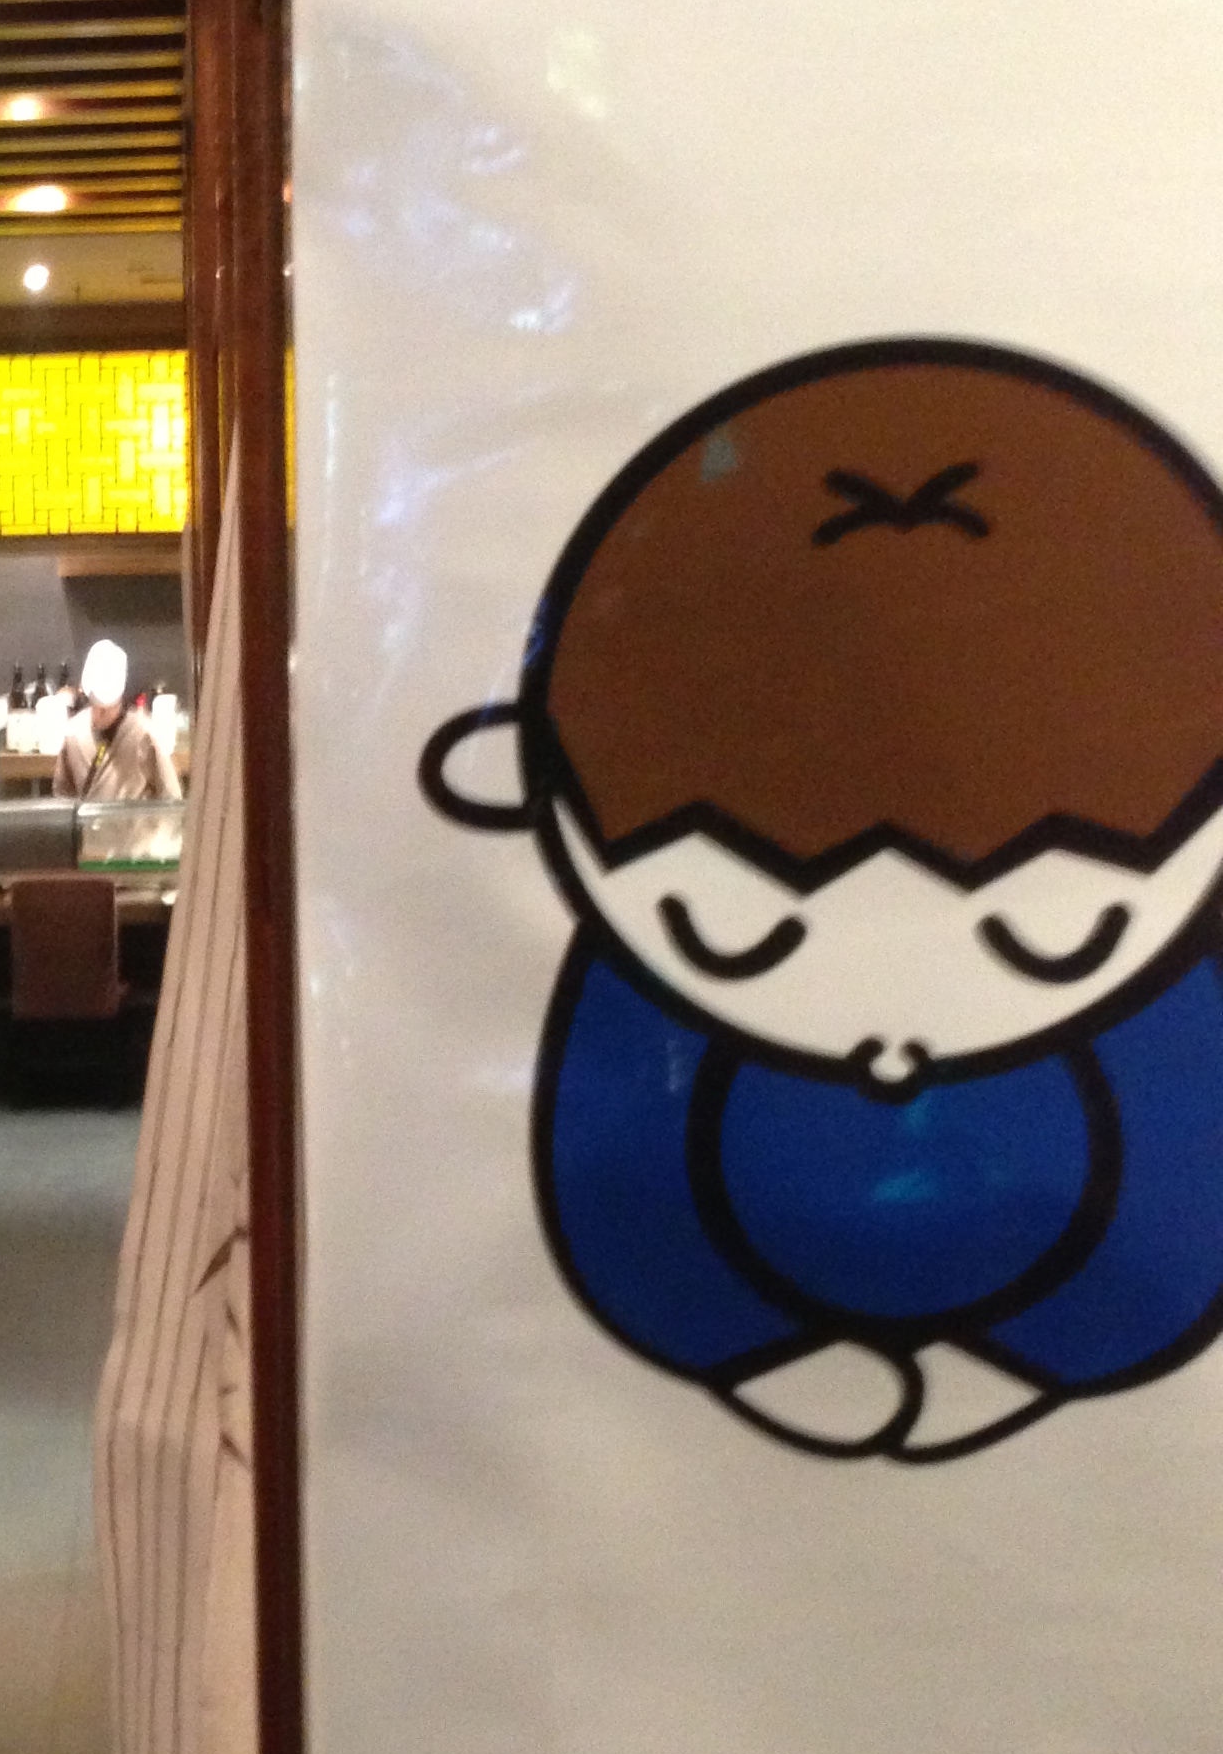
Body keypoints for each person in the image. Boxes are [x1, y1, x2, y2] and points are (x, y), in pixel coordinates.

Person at [421, 336, 1223, 1464]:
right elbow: (618, 1195)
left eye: (1054, 932)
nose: (890, 1026)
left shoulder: (1170, 989)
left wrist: (1053, 1351)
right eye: (731, 929)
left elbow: (1185, 1176)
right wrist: (736, 1346)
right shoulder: (635, 992)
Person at [55, 639, 181, 801]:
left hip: (133, 818)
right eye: (98, 706)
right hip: (89, 817)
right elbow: (63, 796)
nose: (103, 712)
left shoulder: (143, 732)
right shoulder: (73, 734)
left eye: (107, 707)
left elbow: (170, 796)